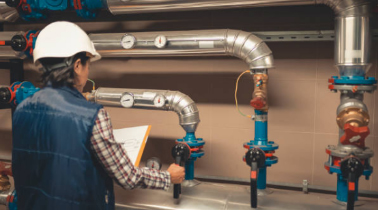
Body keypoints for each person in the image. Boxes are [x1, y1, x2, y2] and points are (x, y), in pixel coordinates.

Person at [12, 21, 185, 210]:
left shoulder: (22, 109)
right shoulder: (91, 116)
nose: (88, 72)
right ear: (77, 66)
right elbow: (127, 176)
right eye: (87, 66)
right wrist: (168, 177)